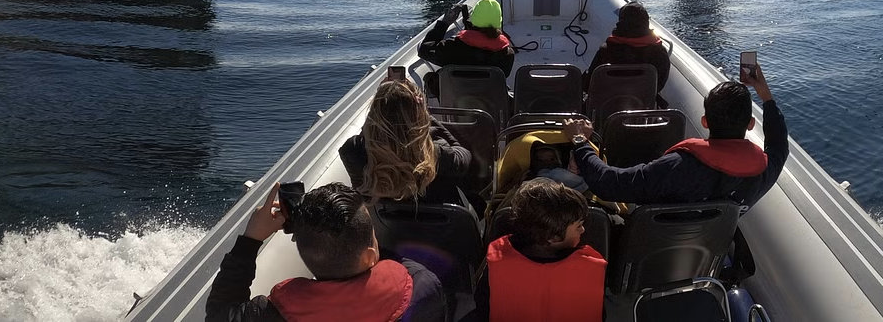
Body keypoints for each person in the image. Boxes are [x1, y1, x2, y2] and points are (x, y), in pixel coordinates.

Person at [205, 181, 446, 322]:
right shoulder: (422, 285)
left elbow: (219, 312)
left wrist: (250, 241)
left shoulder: (271, 314)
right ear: (371, 253)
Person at [563, 65, 787, 210]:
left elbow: (607, 184)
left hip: (650, 258)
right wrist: (765, 95)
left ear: (705, 122)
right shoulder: (762, 172)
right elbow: (778, 144)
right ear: (750, 124)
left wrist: (580, 141)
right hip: (706, 259)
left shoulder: (677, 167)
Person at [473, 178, 607, 322]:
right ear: (553, 237)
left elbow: (482, 308)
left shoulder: (497, 263)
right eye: (578, 226)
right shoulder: (591, 267)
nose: (583, 230)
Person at [340, 78, 475, 207]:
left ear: (374, 115)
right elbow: (464, 154)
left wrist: (381, 104)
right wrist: (426, 118)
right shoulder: (435, 154)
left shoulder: (352, 152)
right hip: (438, 228)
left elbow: (367, 135)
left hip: (388, 229)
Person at [418, 0, 516, 83]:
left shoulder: (452, 48)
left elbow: (424, 50)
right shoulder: (507, 55)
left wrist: (444, 23)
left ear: (474, 20)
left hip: (455, 101)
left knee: (430, 77)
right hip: (489, 102)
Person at [582, 1, 671, 93]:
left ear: (621, 22)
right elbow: (660, 83)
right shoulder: (659, 51)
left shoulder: (606, 50)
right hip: (643, 104)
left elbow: (588, 83)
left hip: (607, 104)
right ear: (646, 22)